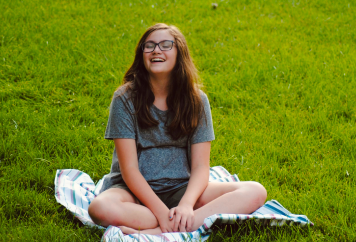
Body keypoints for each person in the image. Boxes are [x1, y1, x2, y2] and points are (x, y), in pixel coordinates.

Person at [88, 23, 267, 235]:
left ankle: (157, 231)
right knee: (99, 208)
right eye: (149, 46)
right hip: (133, 194)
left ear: (179, 53)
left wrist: (186, 205)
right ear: (141, 54)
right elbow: (129, 171)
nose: (156, 50)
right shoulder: (124, 99)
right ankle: (178, 226)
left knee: (255, 191)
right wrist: (162, 212)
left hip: (181, 188)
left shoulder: (197, 101)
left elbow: (201, 167)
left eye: (165, 45)